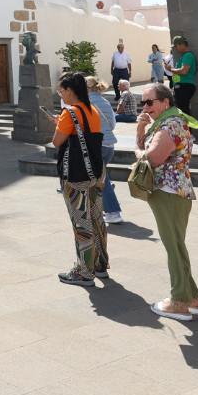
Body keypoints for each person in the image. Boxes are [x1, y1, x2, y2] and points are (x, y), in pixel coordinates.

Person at [136, 82, 198, 320]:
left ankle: (179, 302)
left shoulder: (170, 124)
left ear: (165, 102)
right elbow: (147, 147)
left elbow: (152, 158)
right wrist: (141, 131)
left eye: (149, 102)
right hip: (176, 190)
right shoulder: (170, 122)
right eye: (142, 102)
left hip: (168, 191)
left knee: (173, 246)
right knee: (176, 245)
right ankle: (191, 297)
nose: (145, 106)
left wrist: (138, 153)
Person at [54, 73, 107, 286]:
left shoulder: (69, 113)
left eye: (61, 91)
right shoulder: (92, 110)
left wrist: (58, 125)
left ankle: (85, 272)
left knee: (80, 220)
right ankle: (100, 264)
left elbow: (57, 141)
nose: (61, 95)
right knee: (96, 218)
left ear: (70, 90)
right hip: (95, 171)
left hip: (75, 173)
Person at [89, 79, 123, 225]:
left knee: (102, 179)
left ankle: (113, 211)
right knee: (97, 177)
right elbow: (113, 124)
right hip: (109, 145)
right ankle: (100, 208)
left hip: (96, 145)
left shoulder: (85, 103)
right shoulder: (105, 101)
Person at [169, 37, 197, 114]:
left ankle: (188, 126)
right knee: (182, 110)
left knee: (183, 111)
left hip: (184, 86)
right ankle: (186, 125)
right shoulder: (184, 56)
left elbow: (184, 71)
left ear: (181, 44)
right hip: (182, 86)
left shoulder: (188, 55)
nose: (175, 49)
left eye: (176, 46)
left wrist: (170, 69)